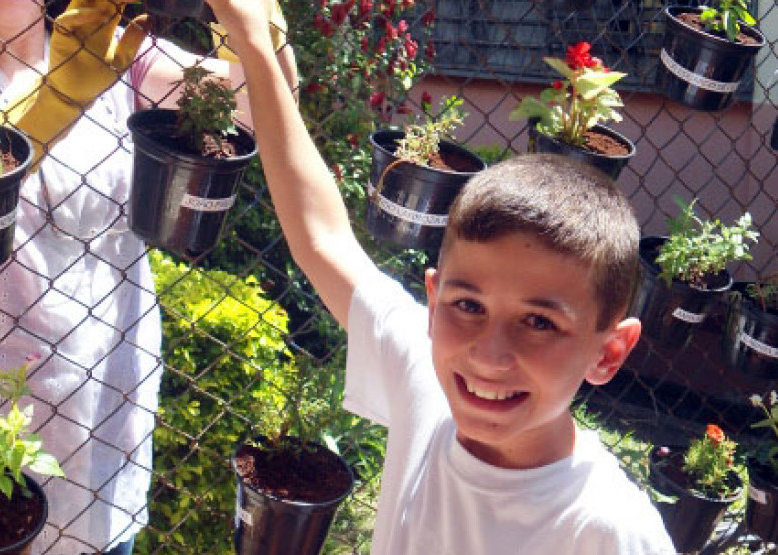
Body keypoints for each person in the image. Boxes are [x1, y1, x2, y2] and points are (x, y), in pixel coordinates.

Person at [204, 0, 677, 552]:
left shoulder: (607, 529)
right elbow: (320, 237)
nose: (488, 354)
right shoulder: (428, 387)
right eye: (469, 306)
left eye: (540, 322)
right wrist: (254, 41)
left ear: (609, 352)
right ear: (433, 303)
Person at [0, 0, 295, 553]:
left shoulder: (116, 53)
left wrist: (253, 19)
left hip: (100, 406)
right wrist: (58, 101)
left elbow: (260, 104)